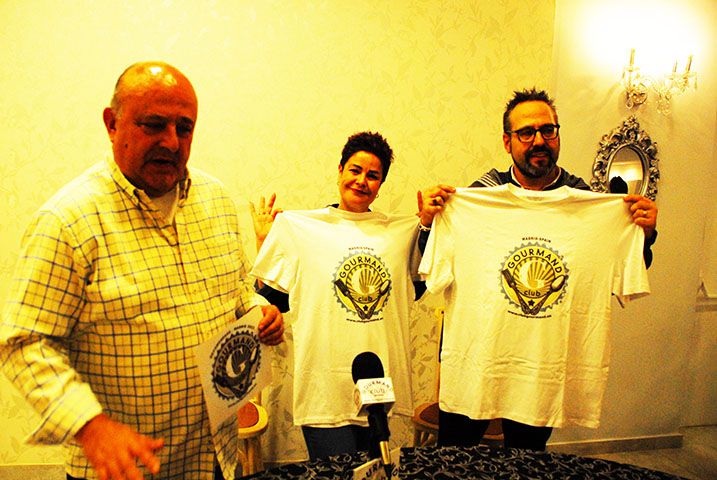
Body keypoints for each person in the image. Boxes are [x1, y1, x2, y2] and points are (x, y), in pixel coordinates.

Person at [0, 62, 284, 480]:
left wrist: (259, 309)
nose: (171, 142)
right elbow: (25, 343)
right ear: (112, 124)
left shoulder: (217, 199)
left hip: (216, 460)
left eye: (184, 128)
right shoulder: (68, 221)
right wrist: (90, 426)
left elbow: (235, 287)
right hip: (124, 470)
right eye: (154, 125)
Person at [418, 88, 658, 451]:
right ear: (507, 141)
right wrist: (428, 222)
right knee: (456, 458)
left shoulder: (587, 202)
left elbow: (622, 270)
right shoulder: (478, 196)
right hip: (476, 359)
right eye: (526, 133)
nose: (538, 141)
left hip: (542, 369)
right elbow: (431, 266)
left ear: (558, 135)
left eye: (548, 131)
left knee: (528, 461)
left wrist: (645, 232)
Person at [250, 132, 424, 460]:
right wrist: (265, 243)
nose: (361, 181)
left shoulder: (400, 233)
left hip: (377, 387)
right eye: (355, 170)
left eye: (373, 175)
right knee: (335, 473)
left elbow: (420, 285)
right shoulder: (303, 229)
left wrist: (430, 220)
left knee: (375, 470)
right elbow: (275, 300)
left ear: (381, 183)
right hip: (323, 388)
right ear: (340, 170)